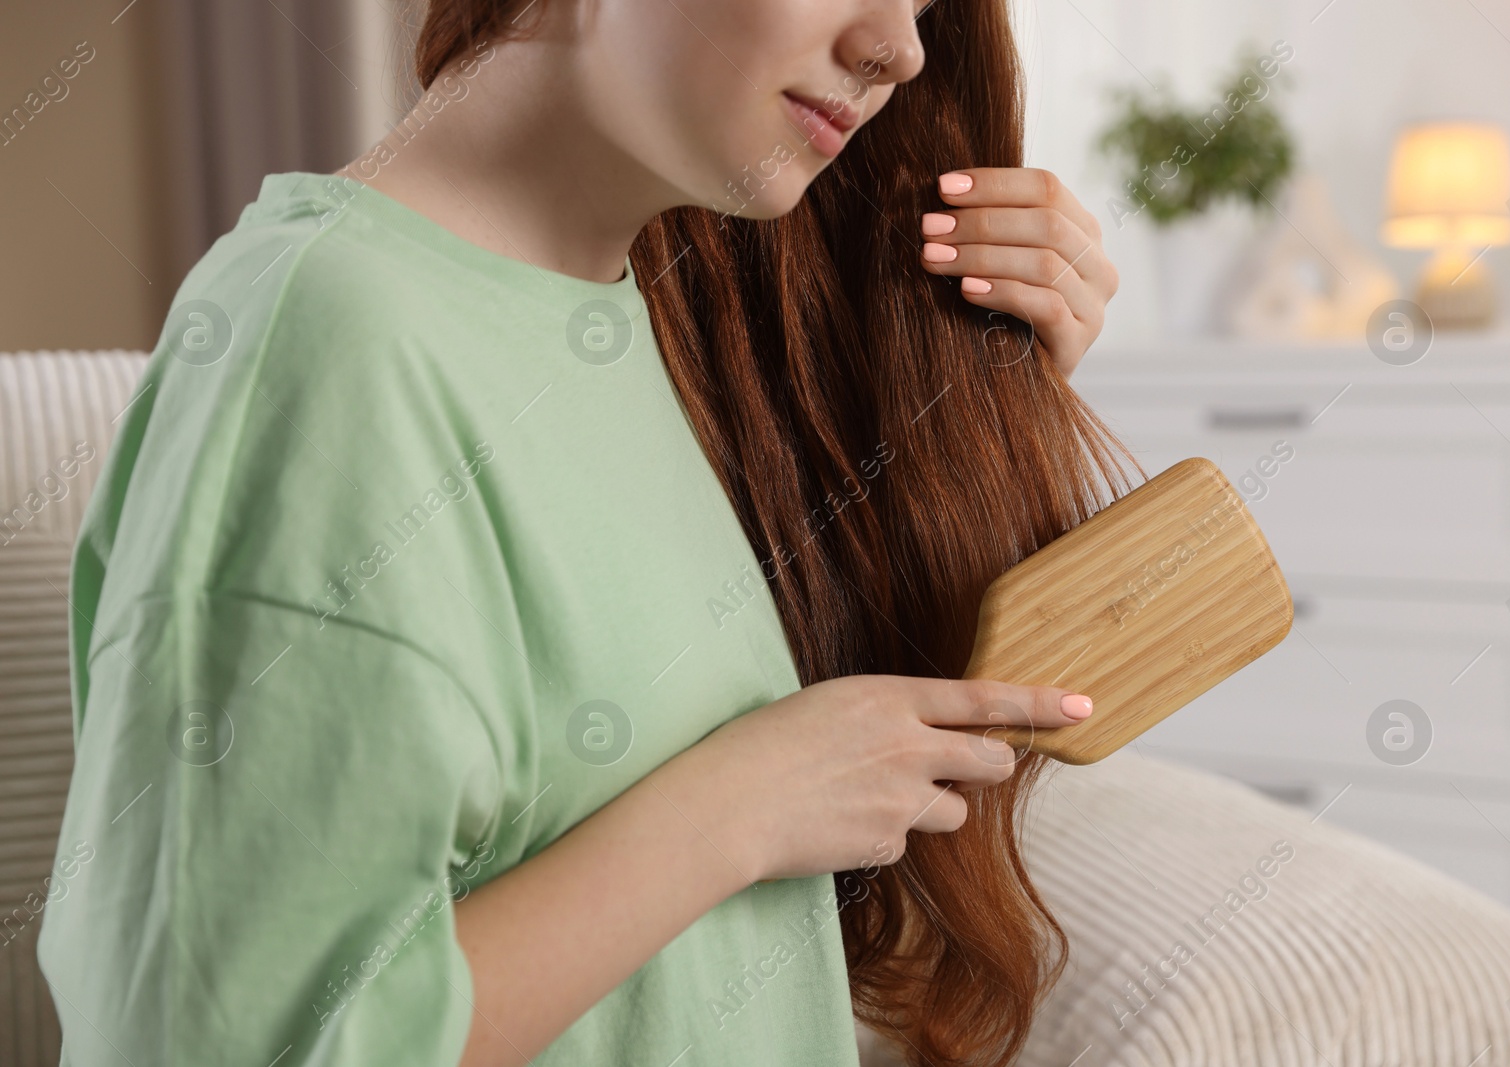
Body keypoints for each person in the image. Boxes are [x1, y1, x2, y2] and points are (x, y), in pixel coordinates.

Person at [38, 0, 1126, 1064]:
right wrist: (738, 808)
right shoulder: (328, 348)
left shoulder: (632, 323)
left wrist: (993, 385)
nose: (897, 46)